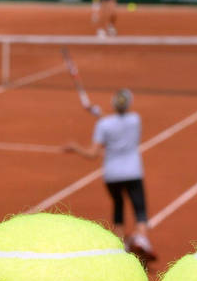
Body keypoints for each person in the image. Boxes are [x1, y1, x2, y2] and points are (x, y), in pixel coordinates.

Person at [64, 89, 156, 261]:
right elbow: (116, 120)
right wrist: (98, 112)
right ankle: (142, 240)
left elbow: (92, 153)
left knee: (118, 206)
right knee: (139, 208)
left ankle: (121, 244)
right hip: (133, 171)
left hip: (112, 175)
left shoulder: (103, 125)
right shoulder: (135, 119)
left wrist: (75, 147)